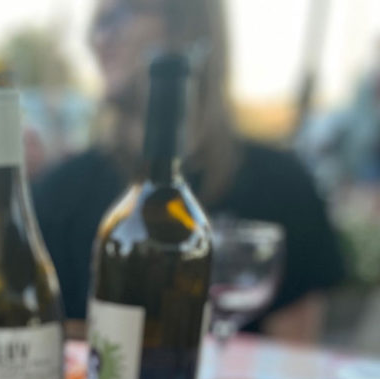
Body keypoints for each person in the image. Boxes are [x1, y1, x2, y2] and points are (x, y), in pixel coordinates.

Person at [33, 0, 345, 342]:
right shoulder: (58, 194)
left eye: (119, 15)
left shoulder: (283, 186)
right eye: (97, 24)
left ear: (188, 23)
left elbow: (292, 367)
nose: (99, 39)